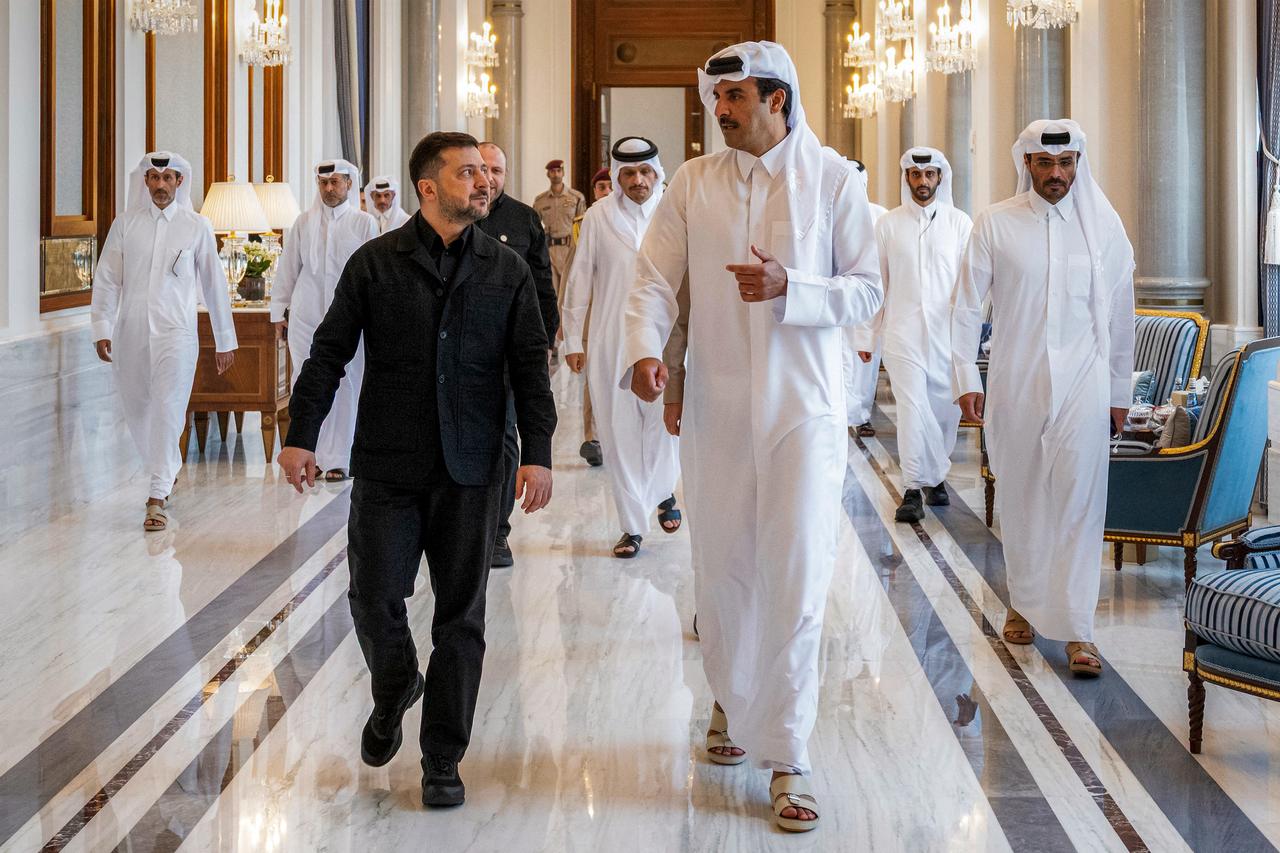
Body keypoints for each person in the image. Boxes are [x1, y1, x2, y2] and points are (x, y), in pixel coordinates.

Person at [623, 42, 882, 831]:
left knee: (796, 575)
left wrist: (790, 287)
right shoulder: (695, 183)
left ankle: (791, 752)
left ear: (777, 98)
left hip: (804, 411)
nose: (720, 110)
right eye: (716, 98)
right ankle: (732, 705)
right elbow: (654, 279)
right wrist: (643, 348)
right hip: (717, 410)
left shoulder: (835, 180)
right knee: (723, 569)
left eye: (733, 97)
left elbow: (868, 289)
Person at [276, 132, 556, 808]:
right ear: (428, 187)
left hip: (472, 468)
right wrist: (301, 434)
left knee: (461, 618)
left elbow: (528, 366)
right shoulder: (375, 263)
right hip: (388, 464)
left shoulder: (506, 268)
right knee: (372, 597)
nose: (483, 183)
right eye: (467, 174)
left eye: (485, 174)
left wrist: (540, 452)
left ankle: (441, 758)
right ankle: (396, 681)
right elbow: (328, 350)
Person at [951, 119, 1135, 678]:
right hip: (1017, 381)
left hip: (1085, 385)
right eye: (1045, 164)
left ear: (1078, 162)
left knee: (1081, 503)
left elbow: (1120, 315)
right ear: (1026, 164)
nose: (1057, 174)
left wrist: (1119, 391)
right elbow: (964, 309)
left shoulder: (1103, 229)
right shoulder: (995, 224)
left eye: (1066, 163)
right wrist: (965, 376)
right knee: (1025, 497)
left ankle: (1080, 630)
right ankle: (1024, 604)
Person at [91, 151, 237, 531]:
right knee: (138, 407)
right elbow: (107, 279)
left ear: (179, 182)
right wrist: (101, 328)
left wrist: (225, 338)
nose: (160, 185)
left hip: (177, 334)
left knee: (169, 407)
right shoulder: (125, 225)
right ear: (145, 182)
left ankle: (156, 496)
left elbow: (214, 284)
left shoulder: (196, 226)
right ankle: (166, 464)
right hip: (131, 332)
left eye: (167, 178)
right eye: (153, 178)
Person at [563, 137, 681, 558]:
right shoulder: (597, 217)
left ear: (657, 173)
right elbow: (579, 279)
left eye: (645, 171)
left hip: (666, 337)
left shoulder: (674, 210)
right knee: (617, 431)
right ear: (616, 177)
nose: (638, 180)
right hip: (612, 339)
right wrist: (573, 338)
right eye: (628, 173)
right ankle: (632, 525)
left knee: (665, 426)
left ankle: (665, 491)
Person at [855, 147, 972, 523]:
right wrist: (867, 337)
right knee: (911, 408)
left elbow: (971, 289)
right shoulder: (888, 225)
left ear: (940, 177)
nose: (923, 182)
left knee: (942, 411)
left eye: (930, 175)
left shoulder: (960, 224)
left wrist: (971, 341)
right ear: (906, 178)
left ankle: (935, 475)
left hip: (946, 336)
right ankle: (911, 488)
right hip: (901, 332)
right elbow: (877, 285)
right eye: (915, 176)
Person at [476, 141, 560, 569]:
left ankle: (498, 534)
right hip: (463, 350)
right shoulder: (457, 214)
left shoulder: (524, 218)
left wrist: (547, 340)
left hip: (510, 349)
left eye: (497, 170)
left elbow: (542, 284)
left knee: (507, 439)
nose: (489, 177)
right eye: (482, 167)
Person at [271, 159, 379, 482]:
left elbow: (374, 275)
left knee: (347, 386)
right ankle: (311, 454)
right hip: (306, 320)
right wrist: (278, 312)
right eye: (324, 183)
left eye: (336, 182)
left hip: (352, 320)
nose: (329, 188)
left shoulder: (364, 224)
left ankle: (340, 458)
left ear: (349, 184)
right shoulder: (303, 223)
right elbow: (288, 270)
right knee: (307, 382)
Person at [564, 166, 614, 468]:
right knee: (593, 376)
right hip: (592, 312)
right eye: (600, 187)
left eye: (609, 186)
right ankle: (593, 437)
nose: (605, 191)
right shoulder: (583, 224)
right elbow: (572, 274)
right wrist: (564, 323)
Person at [844, 158, 890, 438]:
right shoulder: (831, 211)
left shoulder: (880, 216)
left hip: (869, 300)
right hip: (839, 296)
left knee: (865, 363)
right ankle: (839, 412)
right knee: (838, 359)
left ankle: (861, 415)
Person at [533, 159, 587, 310]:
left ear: (563, 173)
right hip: (549, 250)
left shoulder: (576, 197)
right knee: (551, 293)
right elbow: (535, 227)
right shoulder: (540, 201)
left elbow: (582, 226)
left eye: (558, 171)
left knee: (571, 291)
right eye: (552, 171)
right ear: (548, 174)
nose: (555, 174)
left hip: (569, 248)